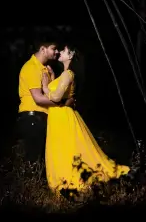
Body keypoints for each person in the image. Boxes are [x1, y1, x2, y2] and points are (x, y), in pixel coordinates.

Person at [43, 44, 130, 194]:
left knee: (66, 150)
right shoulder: (65, 74)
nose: (60, 53)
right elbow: (63, 95)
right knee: (64, 150)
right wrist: (51, 79)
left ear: (70, 56)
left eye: (63, 51)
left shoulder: (68, 74)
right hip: (58, 116)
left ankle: (72, 184)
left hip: (62, 117)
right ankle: (69, 184)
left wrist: (45, 87)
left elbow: (56, 97)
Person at [16, 41, 73, 166]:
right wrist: (62, 103)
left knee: (43, 159)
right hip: (33, 117)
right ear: (43, 49)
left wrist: (52, 79)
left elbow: (50, 93)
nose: (57, 52)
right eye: (54, 48)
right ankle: (30, 184)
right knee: (34, 159)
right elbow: (39, 98)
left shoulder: (45, 68)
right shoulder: (32, 67)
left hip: (43, 117)